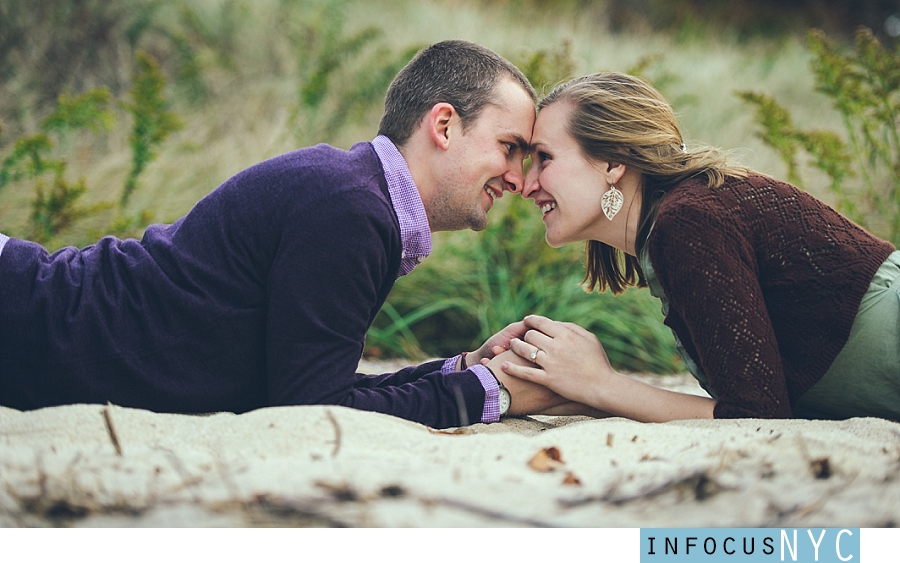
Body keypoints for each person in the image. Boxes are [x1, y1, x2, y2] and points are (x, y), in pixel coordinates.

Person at [0, 40, 563, 428]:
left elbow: (308, 384)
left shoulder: (355, 194)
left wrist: (462, 370)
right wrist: (493, 395)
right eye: (509, 147)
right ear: (444, 125)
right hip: (28, 318)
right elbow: (310, 411)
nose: (518, 179)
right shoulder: (350, 210)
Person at [498, 71, 900, 421]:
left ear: (612, 163)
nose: (527, 184)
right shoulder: (674, 224)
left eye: (544, 158)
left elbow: (755, 416)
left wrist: (601, 384)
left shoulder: (687, 222)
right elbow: (752, 404)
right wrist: (569, 389)